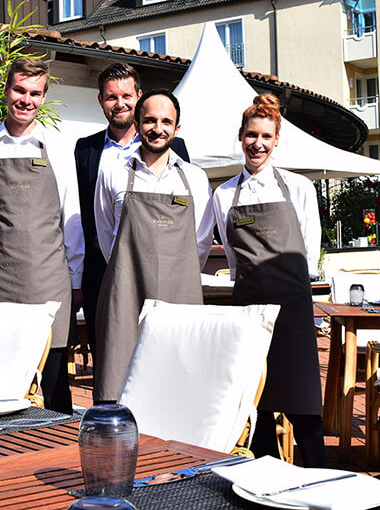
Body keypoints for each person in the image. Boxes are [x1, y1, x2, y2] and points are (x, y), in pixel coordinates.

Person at [0, 58, 83, 414]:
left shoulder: (57, 147)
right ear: (6, 90)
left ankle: (61, 454)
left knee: (56, 382)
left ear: (43, 98)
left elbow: (70, 221)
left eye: (35, 93)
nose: (26, 100)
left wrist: (75, 280)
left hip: (50, 282)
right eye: (20, 90)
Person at [212, 93, 327, 467]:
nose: (257, 144)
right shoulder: (224, 194)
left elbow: (308, 254)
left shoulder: (298, 188)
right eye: (251, 135)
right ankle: (267, 476)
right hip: (249, 310)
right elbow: (232, 256)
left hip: (292, 310)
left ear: (277, 140)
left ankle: (318, 474)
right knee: (257, 404)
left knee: (305, 407)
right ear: (240, 137)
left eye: (265, 136)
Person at [93, 89, 213, 403]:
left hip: (180, 297)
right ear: (137, 121)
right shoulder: (112, 171)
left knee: (176, 391)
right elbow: (105, 233)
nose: (157, 128)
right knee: (120, 389)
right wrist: (126, 270)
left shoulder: (195, 178)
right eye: (149, 120)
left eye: (165, 121)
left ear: (177, 128)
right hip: (126, 295)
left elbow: (201, 240)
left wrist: (179, 274)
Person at [74, 63, 189, 360]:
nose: (120, 104)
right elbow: (95, 220)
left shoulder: (176, 148)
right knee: (111, 359)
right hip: (102, 277)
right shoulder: (84, 151)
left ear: (139, 96)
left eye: (126, 95)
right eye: (111, 97)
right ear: (100, 101)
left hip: (164, 274)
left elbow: (194, 226)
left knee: (164, 357)